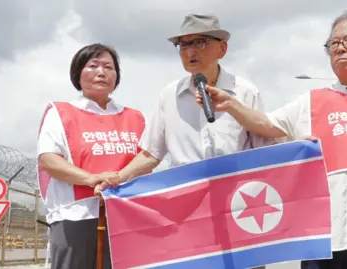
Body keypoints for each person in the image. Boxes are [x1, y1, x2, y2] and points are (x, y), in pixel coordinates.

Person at [196, 10, 347, 269]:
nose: (339, 48)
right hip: (321, 241)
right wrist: (231, 104)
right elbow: (266, 125)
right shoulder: (311, 102)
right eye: (333, 44)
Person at [95, 13, 273, 269]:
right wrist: (117, 178)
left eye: (199, 42)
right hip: (187, 213)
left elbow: (265, 153)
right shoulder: (170, 96)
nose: (190, 51)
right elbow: (152, 153)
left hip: (238, 209)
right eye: (183, 44)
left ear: (222, 48)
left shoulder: (245, 92)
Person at [37, 43, 147, 269]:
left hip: (125, 216)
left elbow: (147, 161)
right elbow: (49, 160)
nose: (101, 72)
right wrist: (92, 179)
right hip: (75, 216)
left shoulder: (135, 117)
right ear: (78, 74)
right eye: (93, 65)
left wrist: (116, 179)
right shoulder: (60, 112)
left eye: (108, 67)